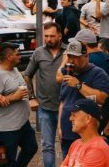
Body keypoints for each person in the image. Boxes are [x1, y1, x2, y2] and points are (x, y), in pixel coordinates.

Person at [0, 43, 37, 167]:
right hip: (7, 128)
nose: (20, 57)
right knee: (8, 162)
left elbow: (22, 88)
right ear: (9, 57)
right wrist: (13, 97)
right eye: (17, 54)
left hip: (23, 123)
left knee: (31, 148)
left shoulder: (14, 69)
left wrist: (31, 98)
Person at [58, 39, 109, 156]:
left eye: (76, 57)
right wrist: (60, 127)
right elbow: (63, 102)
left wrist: (78, 85)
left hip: (86, 135)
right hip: (67, 134)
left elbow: (102, 98)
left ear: (86, 56)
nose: (71, 61)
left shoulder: (98, 73)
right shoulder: (67, 73)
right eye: (69, 57)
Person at [24, 22, 65, 167]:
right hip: (45, 108)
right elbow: (27, 75)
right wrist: (32, 97)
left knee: (66, 143)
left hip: (65, 107)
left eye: (52, 36)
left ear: (59, 36)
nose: (48, 39)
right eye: (46, 36)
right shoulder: (38, 53)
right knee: (47, 146)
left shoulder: (68, 52)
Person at [61, 99, 109, 167]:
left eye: (74, 115)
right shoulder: (76, 144)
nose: (70, 118)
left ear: (88, 118)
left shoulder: (98, 149)